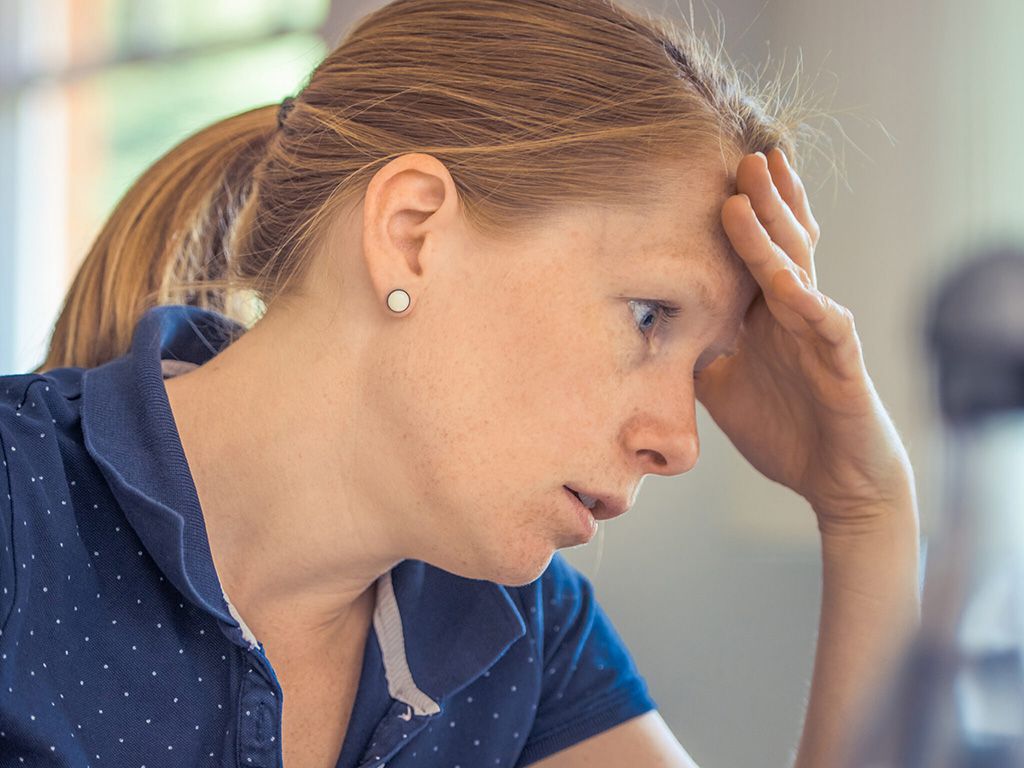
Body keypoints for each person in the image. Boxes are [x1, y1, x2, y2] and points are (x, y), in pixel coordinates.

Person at [0, 0, 921, 766]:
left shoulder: (517, 628)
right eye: (649, 317)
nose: (679, 444)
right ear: (413, 232)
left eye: (703, 367)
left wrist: (866, 510)